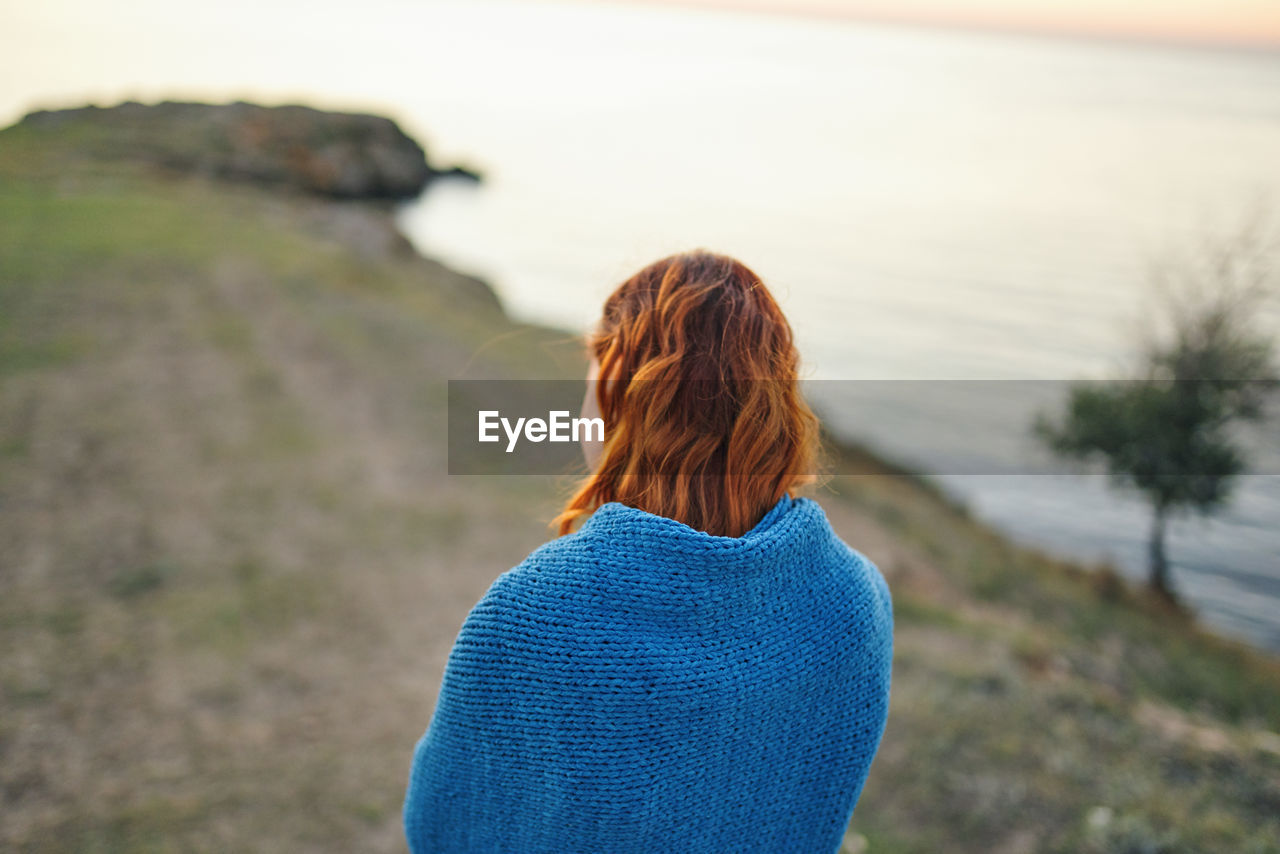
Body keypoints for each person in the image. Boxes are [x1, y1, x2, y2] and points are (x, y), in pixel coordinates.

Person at [404, 250, 893, 853]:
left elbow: (445, 825)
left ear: (621, 407)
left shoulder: (530, 618)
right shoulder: (858, 600)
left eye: (588, 389)